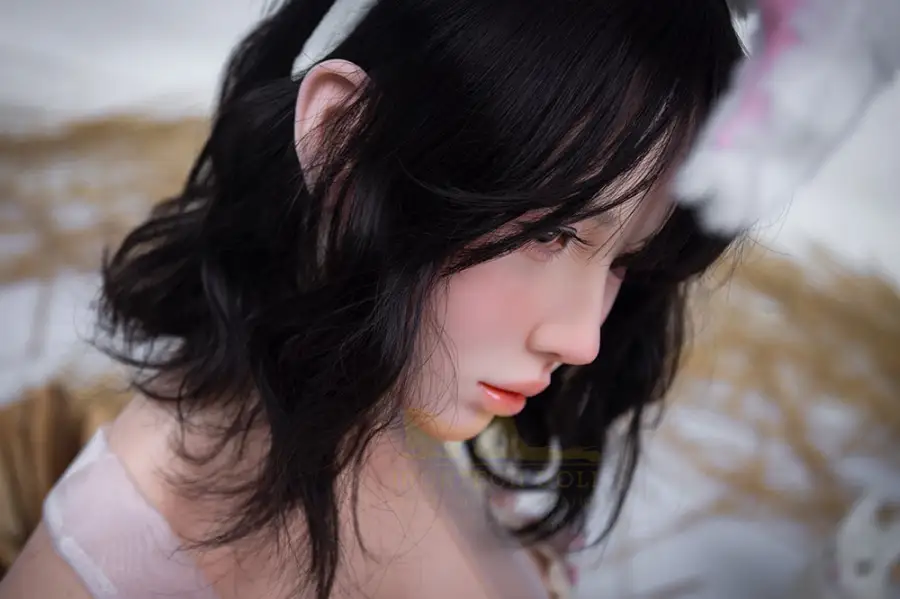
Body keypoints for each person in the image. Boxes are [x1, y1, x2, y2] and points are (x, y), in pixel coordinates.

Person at [0, 0, 745, 597]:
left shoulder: (402, 413)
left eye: (624, 260)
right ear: (343, 142)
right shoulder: (110, 564)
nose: (584, 339)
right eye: (551, 232)